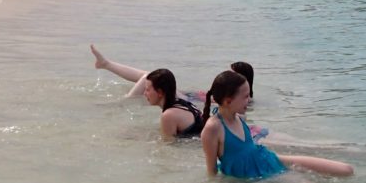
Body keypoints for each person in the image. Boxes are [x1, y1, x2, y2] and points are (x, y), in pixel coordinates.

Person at [200, 69, 354, 179]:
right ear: (228, 101)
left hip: (269, 159)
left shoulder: (238, 117)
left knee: (346, 170)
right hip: (263, 176)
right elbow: (212, 174)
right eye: (246, 96)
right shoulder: (213, 128)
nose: (249, 100)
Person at [90, 44, 266, 140]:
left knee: (146, 76)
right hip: (192, 99)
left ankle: (122, 95)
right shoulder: (177, 108)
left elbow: (169, 146)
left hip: (192, 105)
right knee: (146, 76)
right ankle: (107, 65)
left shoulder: (240, 101)